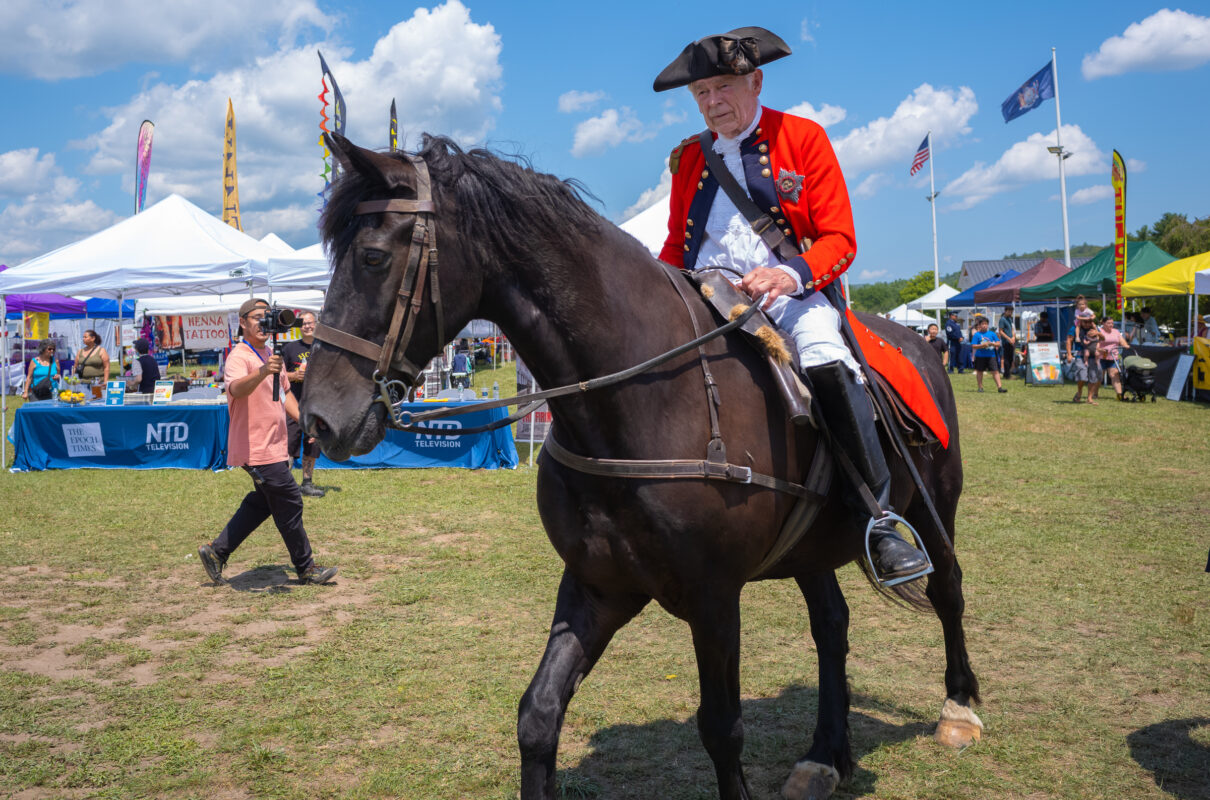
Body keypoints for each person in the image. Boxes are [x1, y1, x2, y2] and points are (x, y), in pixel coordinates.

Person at [654, 26, 926, 582]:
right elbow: (676, 245)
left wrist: (788, 274)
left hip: (788, 294)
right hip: (707, 294)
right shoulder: (688, 159)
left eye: (723, 86)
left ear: (755, 81)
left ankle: (877, 520)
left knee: (825, 355)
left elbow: (839, 239)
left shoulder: (802, 138)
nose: (712, 102)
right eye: (701, 93)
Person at [197, 298, 337, 586]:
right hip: (255, 447)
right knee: (289, 499)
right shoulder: (240, 356)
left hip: (273, 445)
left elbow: (285, 396)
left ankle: (216, 552)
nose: (263, 323)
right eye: (256, 317)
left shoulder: (270, 352)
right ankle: (306, 567)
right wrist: (262, 372)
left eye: (266, 317)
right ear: (243, 322)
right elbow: (235, 388)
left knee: (263, 502)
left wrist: (307, 423)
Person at [282, 310, 325, 498]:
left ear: (316, 324)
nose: (307, 326)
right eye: (304, 323)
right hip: (293, 404)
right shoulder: (289, 348)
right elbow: (278, 376)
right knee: (288, 444)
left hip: (316, 406)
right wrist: (294, 375)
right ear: (299, 326)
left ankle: (307, 483)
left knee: (312, 444)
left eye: (310, 322)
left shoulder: (324, 349)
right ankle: (284, 485)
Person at [1065, 309, 1104, 404]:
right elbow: (1069, 341)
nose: (1087, 324)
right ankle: (1079, 392)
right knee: (1082, 376)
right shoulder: (1074, 328)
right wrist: (1069, 354)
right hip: (1080, 355)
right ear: (1081, 321)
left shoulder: (1094, 328)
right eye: (1085, 322)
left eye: (1089, 322)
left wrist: (1098, 333)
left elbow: (1103, 338)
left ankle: (1089, 398)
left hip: (1093, 356)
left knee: (1093, 377)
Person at [1096, 315, 1129, 401]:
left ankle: (1119, 395)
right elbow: (1096, 344)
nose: (1111, 325)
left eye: (1112, 323)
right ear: (1103, 323)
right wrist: (1100, 349)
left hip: (1113, 357)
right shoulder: (1099, 331)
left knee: (1114, 375)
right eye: (1108, 323)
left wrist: (1126, 345)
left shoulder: (1116, 331)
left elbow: (1121, 341)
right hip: (1101, 357)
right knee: (1100, 377)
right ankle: (1094, 393)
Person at [970, 317, 1006, 393]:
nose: (984, 325)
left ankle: (999, 387)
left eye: (986, 324)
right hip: (980, 356)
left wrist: (992, 343)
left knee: (995, 371)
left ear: (988, 325)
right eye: (982, 324)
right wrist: (982, 346)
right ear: (979, 325)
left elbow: (998, 343)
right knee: (980, 371)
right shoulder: (977, 335)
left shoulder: (992, 334)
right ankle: (980, 387)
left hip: (991, 356)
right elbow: (973, 345)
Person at [997, 307, 1016, 379]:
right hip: (1005, 342)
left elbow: (1012, 329)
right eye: (1009, 311)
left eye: (1011, 312)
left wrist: (1013, 337)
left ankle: (1006, 374)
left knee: (1011, 359)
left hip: (1011, 341)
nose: (1010, 313)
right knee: (1006, 359)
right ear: (1005, 311)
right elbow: (1000, 331)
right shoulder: (1002, 319)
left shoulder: (1010, 319)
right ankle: (1007, 375)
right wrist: (1008, 339)